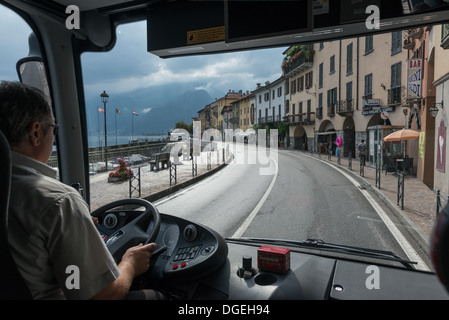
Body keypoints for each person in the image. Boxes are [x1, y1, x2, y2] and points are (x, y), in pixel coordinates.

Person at [0, 81, 161, 300]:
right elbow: (101, 296)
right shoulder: (57, 201)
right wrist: (130, 264)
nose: (54, 137)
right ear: (35, 132)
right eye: (53, 130)